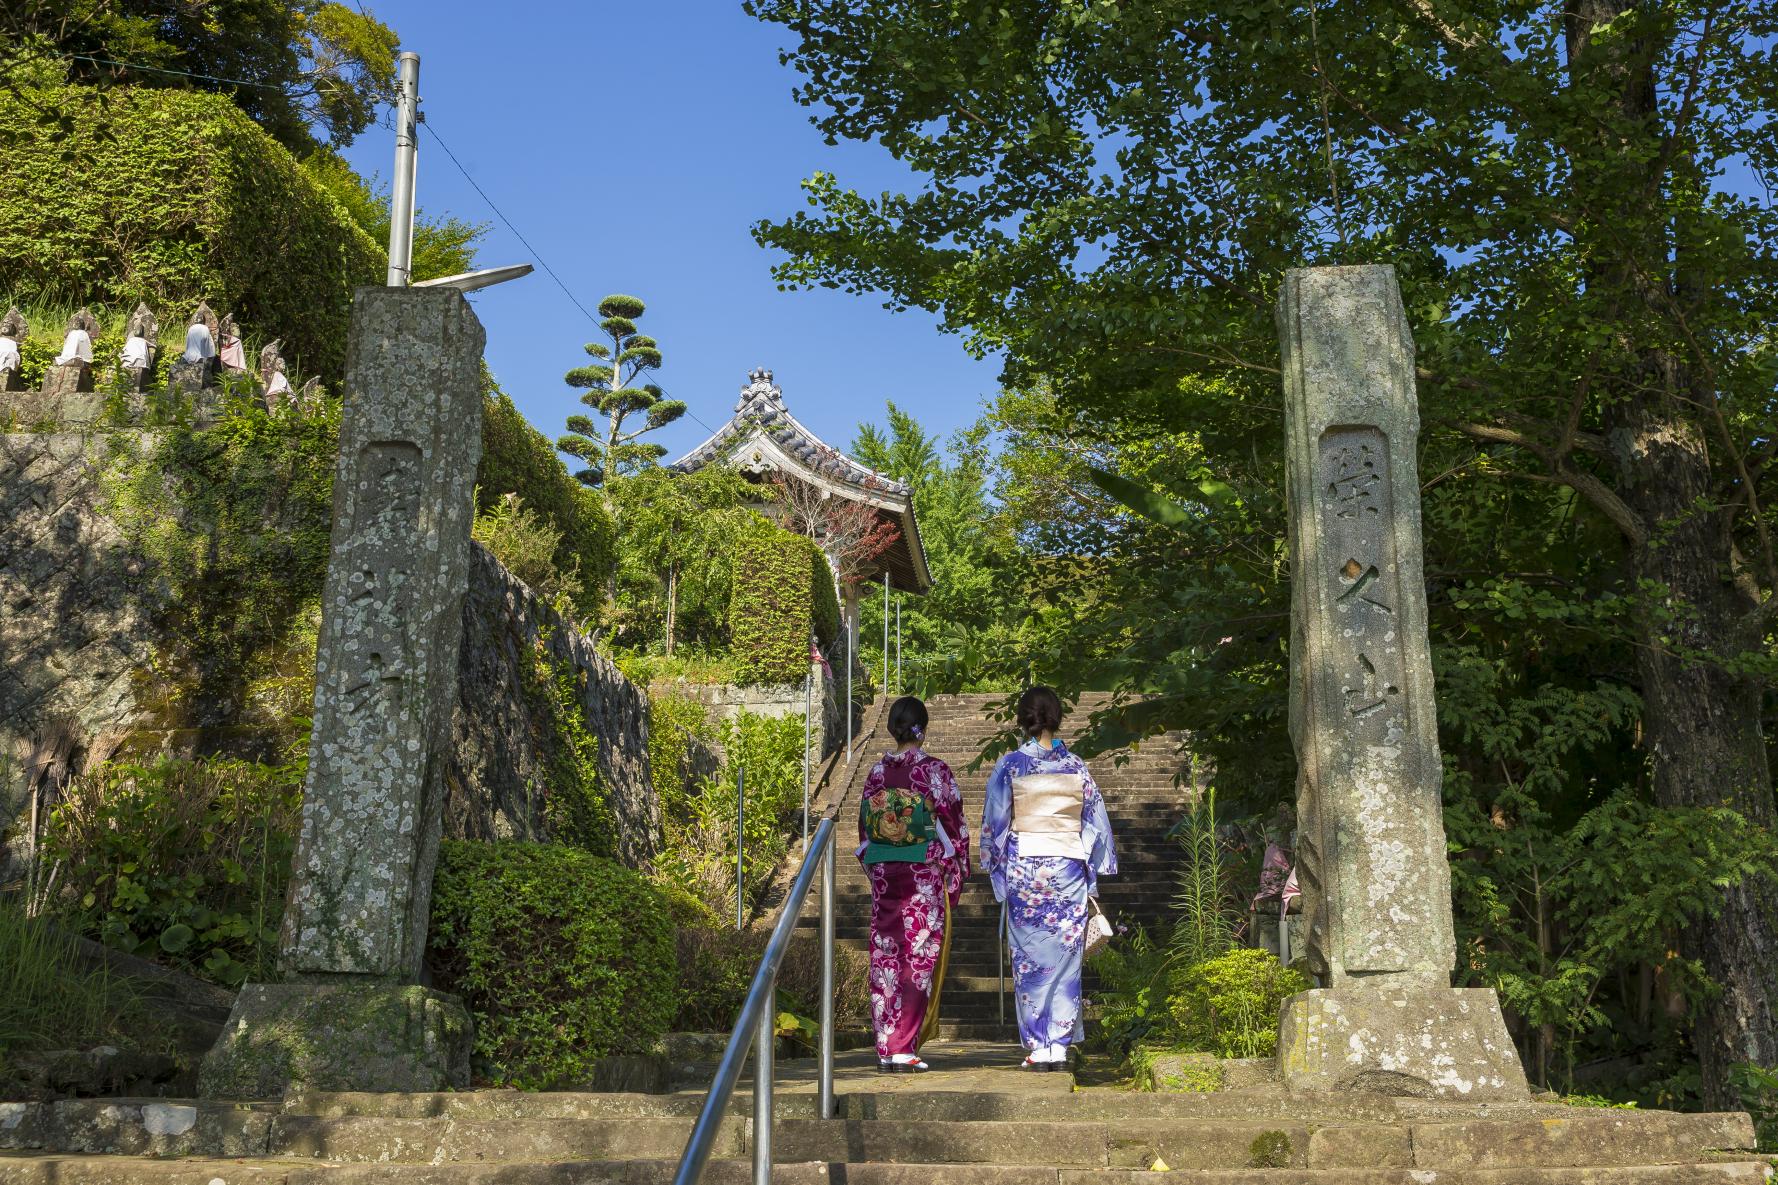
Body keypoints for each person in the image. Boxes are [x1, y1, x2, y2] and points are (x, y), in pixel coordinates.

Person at [981, 685, 1117, 1070]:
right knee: (1065, 958)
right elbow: (1093, 823)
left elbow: (995, 822)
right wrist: (1091, 871)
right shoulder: (1075, 766)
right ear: (1057, 717)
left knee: (1029, 959)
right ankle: (1059, 1044)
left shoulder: (1010, 765)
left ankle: (1039, 1045)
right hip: (1067, 868)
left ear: (1023, 718)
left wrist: (996, 863)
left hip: (1027, 870)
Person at [857, 695, 970, 1072]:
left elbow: (865, 833)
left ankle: (886, 1045)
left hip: (887, 876)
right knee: (917, 959)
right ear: (923, 728)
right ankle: (903, 1046)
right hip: (922, 877)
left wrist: (878, 872)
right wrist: (955, 872)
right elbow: (954, 826)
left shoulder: (876, 774)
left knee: (885, 957)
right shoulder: (935, 772)